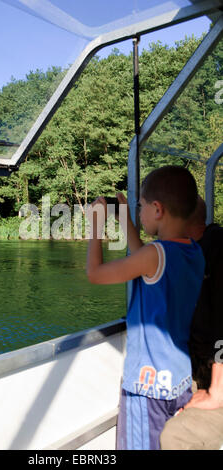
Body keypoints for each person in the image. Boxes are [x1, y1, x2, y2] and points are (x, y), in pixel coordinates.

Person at [86, 165, 205, 450]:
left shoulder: (155, 254)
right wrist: (126, 218)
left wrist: (95, 228)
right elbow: (145, 257)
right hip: (178, 382)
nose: (139, 214)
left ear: (157, 209)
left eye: (141, 207)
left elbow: (95, 273)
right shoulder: (193, 252)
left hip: (145, 389)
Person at [160, 197, 223, 450]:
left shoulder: (217, 247)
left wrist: (217, 390)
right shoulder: (191, 251)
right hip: (198, 373)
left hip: (216, 380)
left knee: (175, 437)